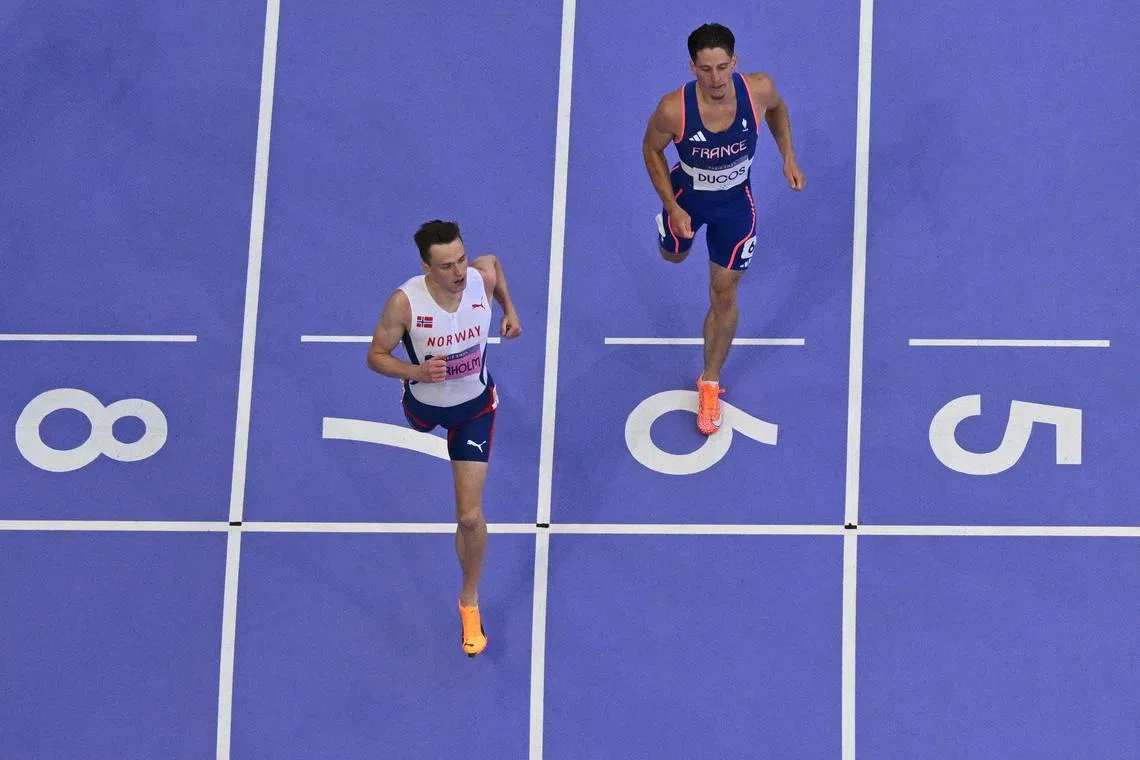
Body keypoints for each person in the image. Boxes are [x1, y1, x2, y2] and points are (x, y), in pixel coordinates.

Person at [366, 219, 521, 657]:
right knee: (420, 416)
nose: (459, 272)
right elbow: (375, 356)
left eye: (460, 260)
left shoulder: (481, 276)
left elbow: (492, 263)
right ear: (425, 267)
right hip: (423, 406)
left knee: (470, 517)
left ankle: (469, 600)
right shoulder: (405, 303)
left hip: (474, 408)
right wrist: (415, 372)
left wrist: (509, 309)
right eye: (447, 266)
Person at [642, 22, 804, 435]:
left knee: (724, 294)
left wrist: (787, 155)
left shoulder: (760, 90)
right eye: (706, 69)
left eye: (722, 67)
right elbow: (651, 150)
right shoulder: (673, 110)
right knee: (673, 256)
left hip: (735, 207)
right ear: (693, 67)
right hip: (687, 202)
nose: (715, 78)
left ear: (735, 62)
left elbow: (779, 110)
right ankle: (671, 227)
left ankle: (709, 381)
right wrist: (671, 206)